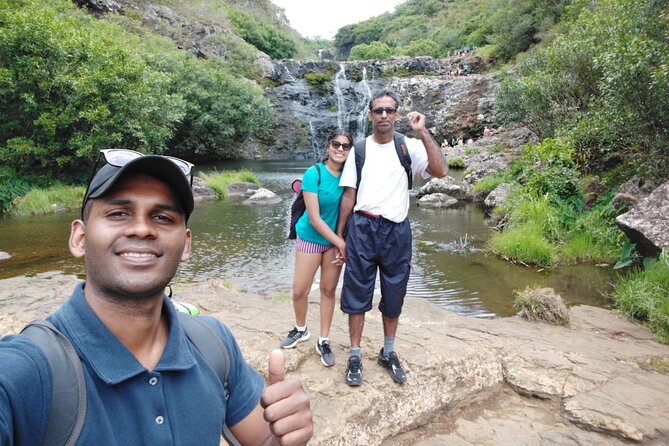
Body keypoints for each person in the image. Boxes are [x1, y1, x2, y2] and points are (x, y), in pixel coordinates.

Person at [0, 150, 313, 445]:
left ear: (186, 244)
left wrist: (286, 430)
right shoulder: (29, 370)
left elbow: (265, 438)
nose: (141, 228)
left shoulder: (213, 343)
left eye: (162, 218)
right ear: (79, 238)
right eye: (119, 213)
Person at [335, 89, 448, 387]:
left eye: (389, 110)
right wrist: (340, 238)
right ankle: (356, 355)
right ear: (370, 115)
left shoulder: (409, 146)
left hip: (397, 230)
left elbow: (440, 170)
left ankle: (388, 351)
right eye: (378, 111)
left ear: (396, 114)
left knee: (394, 292)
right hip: (362, 228)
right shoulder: (359, 150)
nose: (384, 115)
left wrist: (422, 131)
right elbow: (349, 194)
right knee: (357, 293)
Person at [280, 129, 352, 368]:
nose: (340, 149)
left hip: (334, 240)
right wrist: (341, 243)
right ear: (327, 146)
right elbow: (313, 218)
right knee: (300, 290)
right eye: (336, 144)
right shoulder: (315, 173)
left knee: (328, 290)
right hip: (312, 237)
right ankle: (301, 329)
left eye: (345, 146)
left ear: (350, 151)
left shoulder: (350, 176)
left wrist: (341, 240)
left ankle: (324, 339)